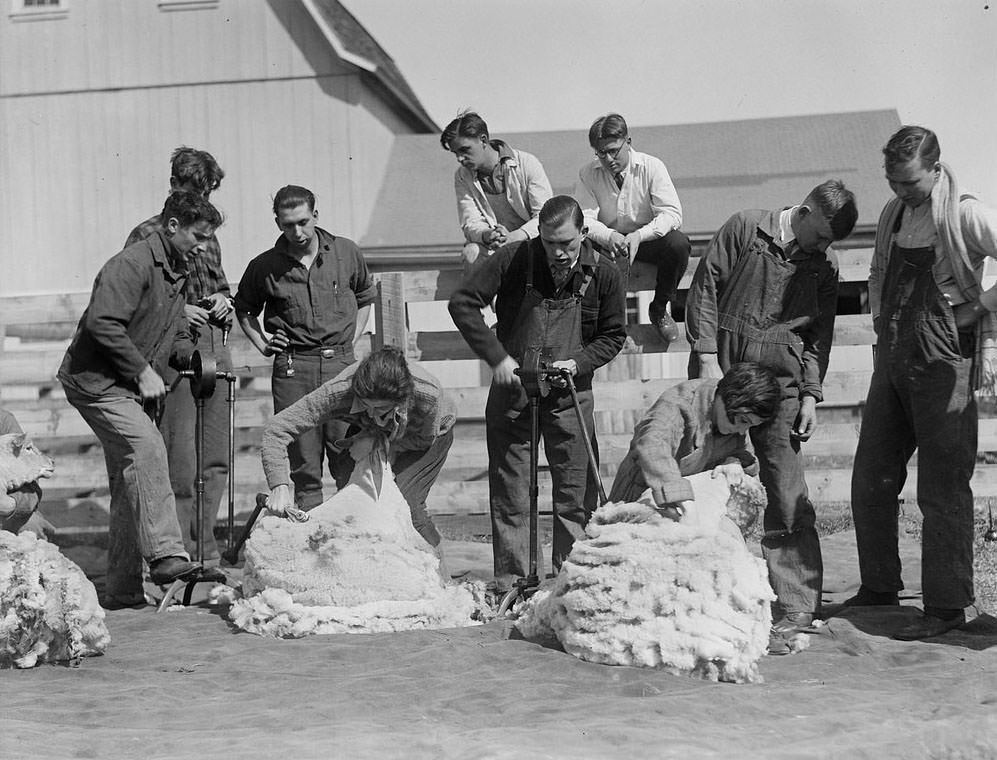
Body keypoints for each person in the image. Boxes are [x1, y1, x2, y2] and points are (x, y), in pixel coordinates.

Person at [685, 179, 858, 638]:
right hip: (723, 368)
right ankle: (694, 588)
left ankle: (797, 602)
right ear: (803, 212)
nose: (823, 247)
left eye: (830, 243)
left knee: (785, 489)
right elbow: (705, 286)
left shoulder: (824, 265)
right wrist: (705, 355)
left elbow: (820, 333)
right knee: (701, 477)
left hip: (782, 384)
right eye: (820, 235)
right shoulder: (745, 229)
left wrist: (810, 394)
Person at [849, 126, 997, 640]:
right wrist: (879, 317)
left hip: (943, 359)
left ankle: (946, 605)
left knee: (941, 486)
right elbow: (877, 270)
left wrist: (979, 306)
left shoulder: (964, 213)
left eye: (910, 183)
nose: (902, 192)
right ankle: (880, 586)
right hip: (893, 354)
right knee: (871, 475)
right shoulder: (893, 214)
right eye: (893, 182)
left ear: (935, 169)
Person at [449, 195, 627, 596]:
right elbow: (463, 303)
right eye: (550, 244)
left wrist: (579, 363)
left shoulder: (604, 274)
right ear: (539, 236)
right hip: (513, 391)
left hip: (569, 396)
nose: (559, 254)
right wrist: (497, 359)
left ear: (584, 233)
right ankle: (513, 585)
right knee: (512, 492)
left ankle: (572, 584)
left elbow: (613, 336)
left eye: (567, 243)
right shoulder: (515, 259)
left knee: (574, 494)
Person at [58, 190, 224, 604]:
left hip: (125, 386)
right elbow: (102, 323)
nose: (204, 245)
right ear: (172, 226)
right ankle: (167, 554)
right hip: (95, 383)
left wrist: (190, 354)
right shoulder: (130, 265)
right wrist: (142, 370)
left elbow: (174, 328)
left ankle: (121, 589)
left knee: (130, 483)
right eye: (198, 236)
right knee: (147, 446)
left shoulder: (177, 268)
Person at [123, 146, 232, 574]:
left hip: (212, 343)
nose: (200, 198)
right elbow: (140, 300)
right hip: (173, 346)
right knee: (179, 457)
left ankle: (207, 549)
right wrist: (178, 311)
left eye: (207, 190)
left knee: (215, 453)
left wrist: (224, 299)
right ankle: (177, 553)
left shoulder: (209, 234)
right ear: (173, 186)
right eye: (192, 189)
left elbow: (221, 282)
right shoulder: (145, 234)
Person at [235, 185, 377, 510]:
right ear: (278, 223)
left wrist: (350, 342)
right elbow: (243, 309)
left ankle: (348, 544)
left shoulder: (346, 252)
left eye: (302, 221)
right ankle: (310, 546)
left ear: (315, 215)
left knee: (349, 459)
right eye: (288, 224)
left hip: (342, 368)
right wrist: (263, 343)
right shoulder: (265, 266)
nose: (297, 231)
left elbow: (367, 297)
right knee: (305, 467)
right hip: (293, 371)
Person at [261, 347, 456, 566]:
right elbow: (276, 429)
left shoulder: (428, 395)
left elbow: (423, 440)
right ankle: (370, 568)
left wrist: (379, 444)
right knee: (353, 493)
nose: (372, 411)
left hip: (427, 436)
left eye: (379, 407)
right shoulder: (338, 392)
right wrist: (279, 486)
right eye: (365, 405)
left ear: (400, 401)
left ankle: (438, 574)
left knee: (406, 505)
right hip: (372, 431)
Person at [574, 113, 693, 345]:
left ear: (628, 142)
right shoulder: (587, 173)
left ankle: (659, 309)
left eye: (613, 151)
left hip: (647, 240)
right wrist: (610, 236)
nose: (608, 159)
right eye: (601, 153)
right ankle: (596, 322)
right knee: (580, 245)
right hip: (609, 243)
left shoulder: (652, 166)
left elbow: (672, 214)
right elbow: (584, 218)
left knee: (678, 244)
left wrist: (640, 235)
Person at [608, 362, 781, 520]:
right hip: (640, 497)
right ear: (726, 399)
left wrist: (734, 462)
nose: (743, 431)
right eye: (743, 421)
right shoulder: (676, 406)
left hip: (693, 503)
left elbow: (744, 454)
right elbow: (651, 446)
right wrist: (683, 500)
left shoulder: (733, 414)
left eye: (750, 426)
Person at [440, 111, 553, 272]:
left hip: (534, 246)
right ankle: (479, 298)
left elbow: (546, 217)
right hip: (495, 247)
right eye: (455, 153)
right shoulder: (462, 176)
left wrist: (514, 237)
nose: (459, 158)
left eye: (464, 150)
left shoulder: (527, 163)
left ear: (483, 140)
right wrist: (486, 234)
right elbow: (471, 222)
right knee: (472, 251)